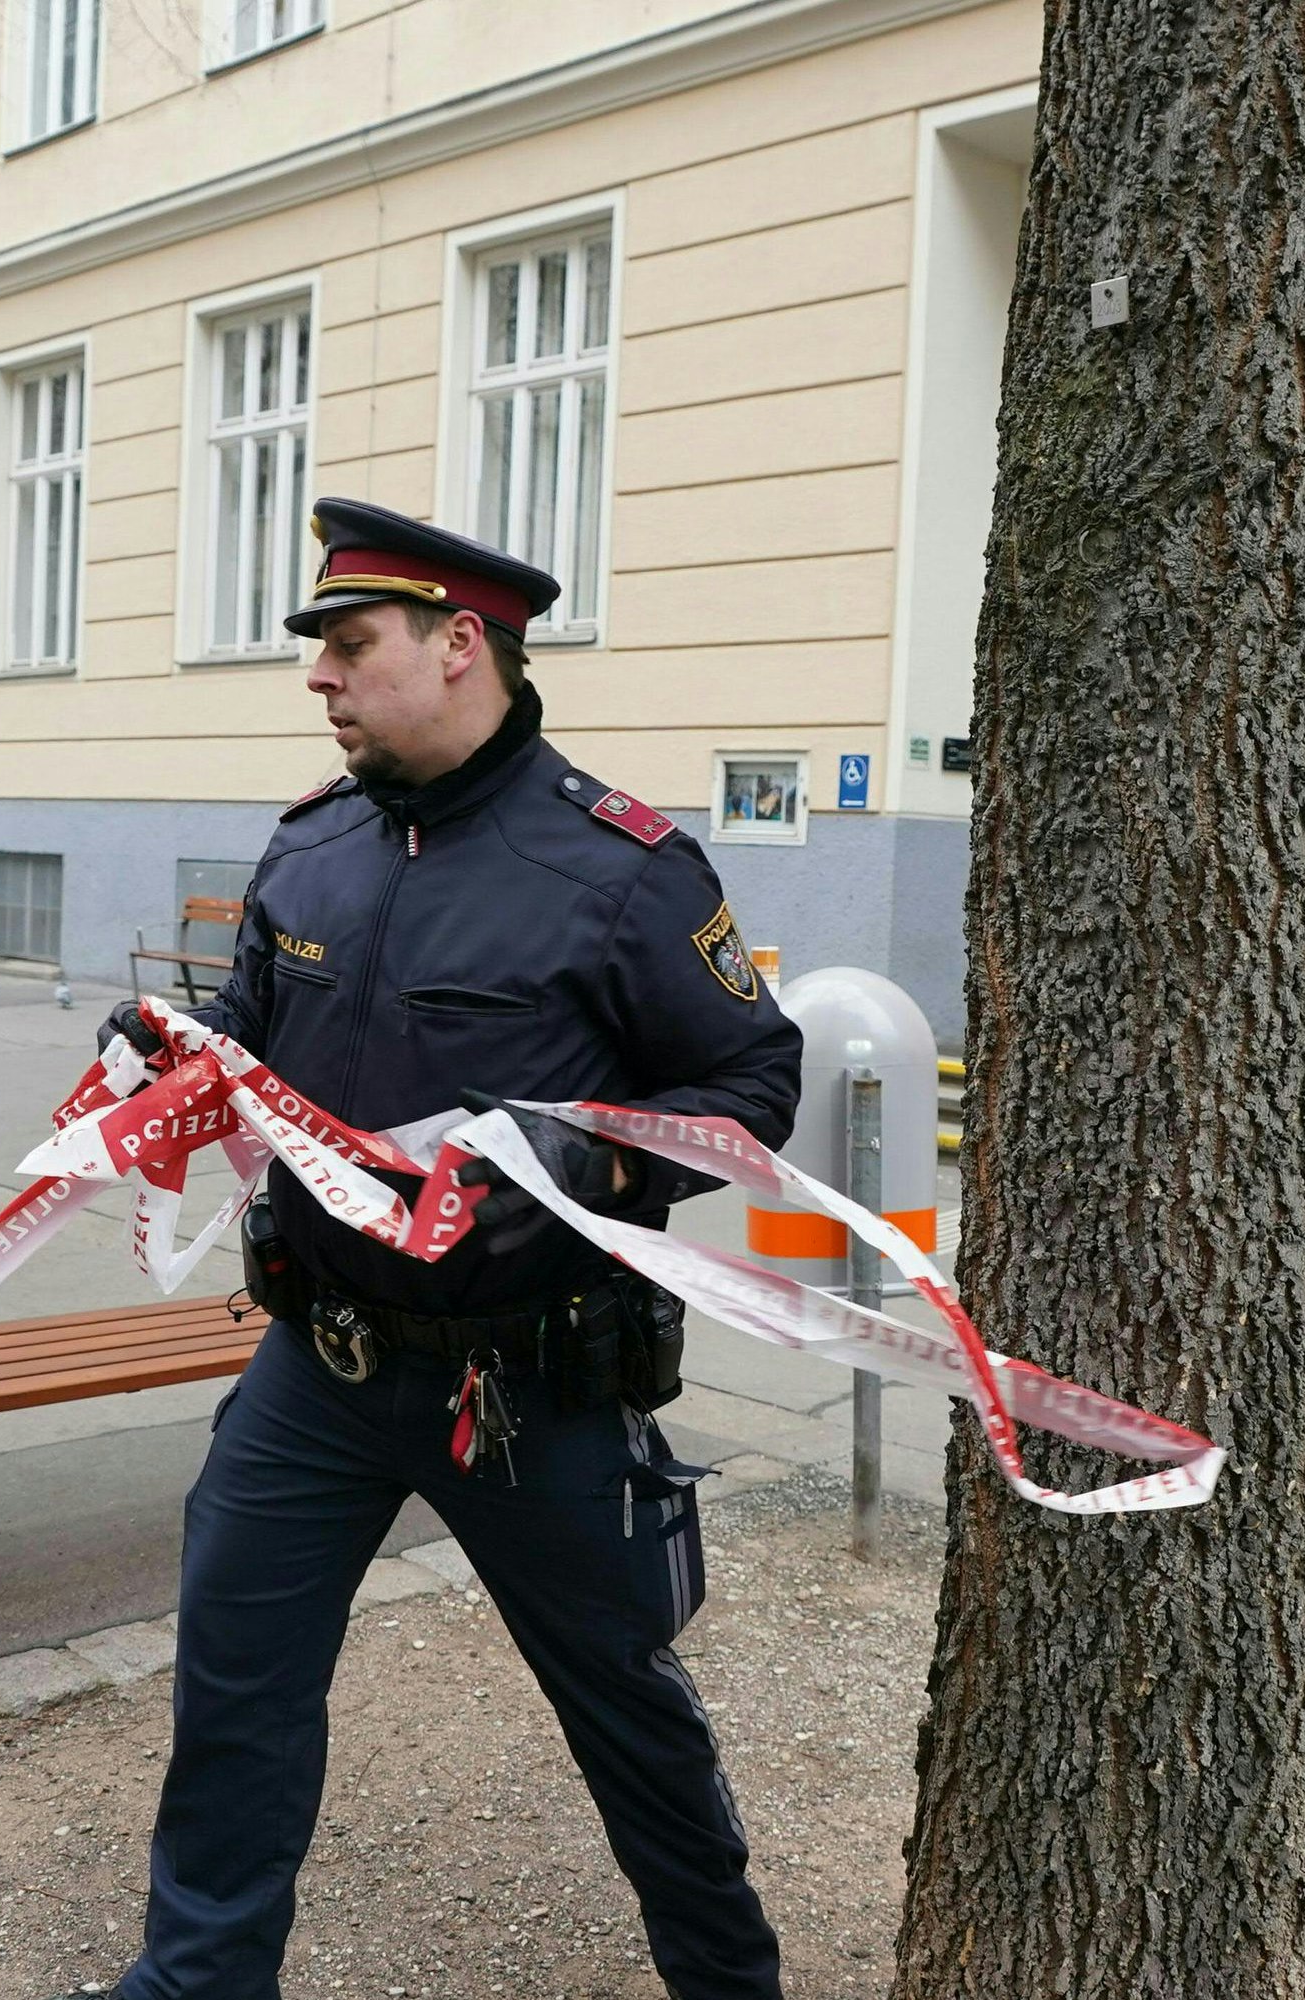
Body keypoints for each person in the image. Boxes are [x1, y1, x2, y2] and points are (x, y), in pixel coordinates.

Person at [92, 498, 802, 2000]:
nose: (320, 680)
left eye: (351, 647)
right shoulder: (312, 849)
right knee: (235, 1681)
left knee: (624, 1707)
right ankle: (198, 1982)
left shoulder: (623, 870)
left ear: (461, 645)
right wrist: (179, 1051)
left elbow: (752, 1086)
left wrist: (587, 1151)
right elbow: (257, 1036)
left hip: (528, 1387)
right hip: (319, 1370)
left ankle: (729, 1985)